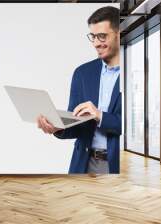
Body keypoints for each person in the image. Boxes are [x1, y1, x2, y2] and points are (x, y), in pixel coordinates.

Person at [37, 6, 121, 174]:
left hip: (118, 165)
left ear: (120, 34)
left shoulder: (137, 70)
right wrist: (57, 127)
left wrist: (100, 116)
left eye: (102, 36)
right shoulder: (82, 73)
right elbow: (77, 125)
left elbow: (139, 130)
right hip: (83, 163)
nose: (96, 43)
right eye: (93, 36)